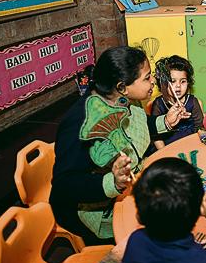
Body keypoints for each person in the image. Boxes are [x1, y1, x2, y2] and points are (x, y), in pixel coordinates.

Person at [50, 46, 171, 244]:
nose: (153, 82)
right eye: (147, 78)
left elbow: (138, 125)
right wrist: (112, 182)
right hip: (90, 207)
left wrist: (166, 122)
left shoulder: (123, 99)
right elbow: (65, 185)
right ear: (122, 86)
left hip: (127, 185)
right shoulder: (81, 123)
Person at [151, 55, 203, 149]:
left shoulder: (193, 102)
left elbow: (200, 128)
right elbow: (156, 136)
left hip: (191, 144)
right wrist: (165, 153)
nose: (178, 86)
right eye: (173, 81)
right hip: (167, 148)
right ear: (163, 84)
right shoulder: (158, 104)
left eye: (183, 81)